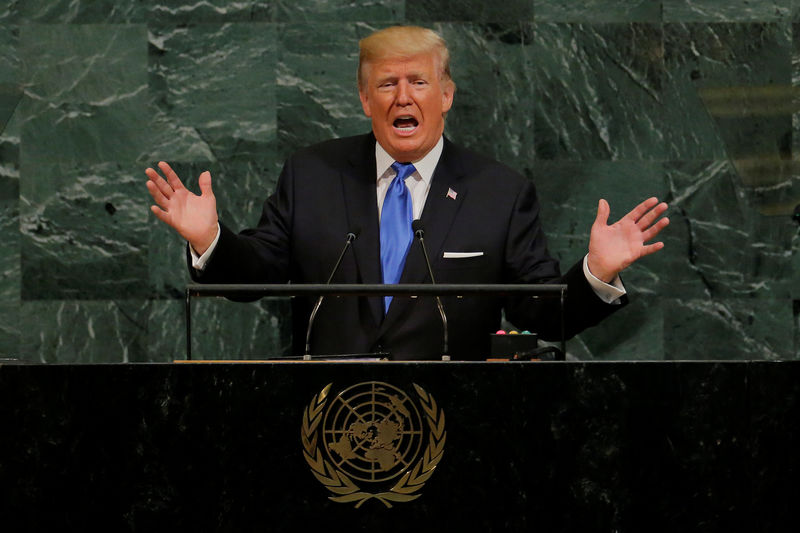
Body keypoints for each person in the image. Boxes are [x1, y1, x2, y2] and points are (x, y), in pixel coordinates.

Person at [145, 26, 669, 360]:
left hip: (458, 424)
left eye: (417, 82)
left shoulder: (499, 192)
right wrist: (211, 239)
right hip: (327, 418)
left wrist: (596, 274)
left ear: (445, 96)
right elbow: (255, 276)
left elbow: (539, 312)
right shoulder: (312, 175)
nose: (402, 97)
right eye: (386, 84)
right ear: (363, 98)